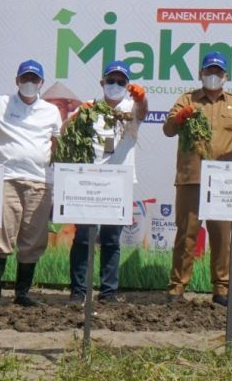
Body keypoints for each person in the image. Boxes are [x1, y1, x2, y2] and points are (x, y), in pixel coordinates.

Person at [162, 51, 232, 305]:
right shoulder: (187, 99)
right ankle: (177, 288)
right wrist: (180, 117)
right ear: (200, 74)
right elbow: (168, 129)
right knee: (186, 235)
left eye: (218, 72)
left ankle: (222, 290)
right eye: (209, 71)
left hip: (223, 182)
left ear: (225, 76)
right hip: (191, 176)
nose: (213, 76)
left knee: (222, 237)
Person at [67, 60, 148, 303]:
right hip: (89, 182)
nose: (115, 85)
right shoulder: (89, 108)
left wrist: (142, 98)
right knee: (83, 237)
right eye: (110, 80)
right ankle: (78, 291)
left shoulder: (132, 109)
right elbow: (65, 132)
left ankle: (108, 292)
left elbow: (143, 111)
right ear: (102, 83)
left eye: (121, 82)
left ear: (128, 85)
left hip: (119, 182)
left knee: (112, 240)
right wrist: (73, 120)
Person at [0, 60, 62, 306]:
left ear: (41, 83)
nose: (29, 83)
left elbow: (57, 142)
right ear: (17, 80)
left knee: (34, 238)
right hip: (6, 178)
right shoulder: (0, 104)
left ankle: (22, 294)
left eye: (34, 79)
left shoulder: (51, 111)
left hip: (39, 181)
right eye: (25, 78)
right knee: (0, 235)